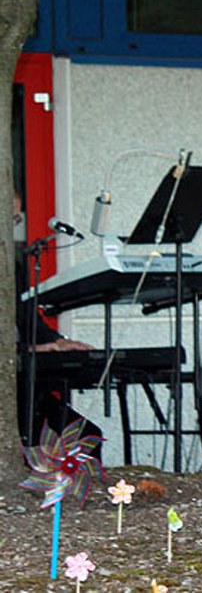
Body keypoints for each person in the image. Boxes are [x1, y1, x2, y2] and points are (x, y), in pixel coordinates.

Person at [14, 189, 98, 449]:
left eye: (17, 219)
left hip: (22, 385)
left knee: (88, 437)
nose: (13, 226)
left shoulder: (12, 266)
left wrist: (57, 342)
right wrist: (26, 349)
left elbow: (28, 317)